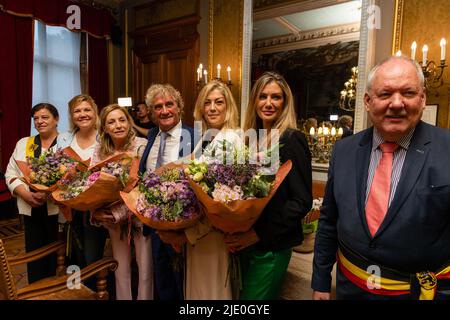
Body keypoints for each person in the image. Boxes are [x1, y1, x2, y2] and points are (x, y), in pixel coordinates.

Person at [312, 55, 450, 300]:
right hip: (349, 290)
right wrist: (321, 281)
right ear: (367, 101)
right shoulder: (344, 150)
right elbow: (329, 222)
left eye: (408, 93)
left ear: (423, 98)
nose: (396, 103)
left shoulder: (446, 149)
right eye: (385, 94)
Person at [224, 71, 313, 299]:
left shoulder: (292, 139)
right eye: (263, 96)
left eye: (276, 97)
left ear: (285, 102)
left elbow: (301, 201)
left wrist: (257, 234)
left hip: (271, 245)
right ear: (254, 100)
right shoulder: (249, 139)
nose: (269, 103)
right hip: (246, 244)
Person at [157, 80, 241, 299]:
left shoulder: (231, 139)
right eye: (207, 102)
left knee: (210, 293)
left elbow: (224, 204)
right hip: (197, 234)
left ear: (228, 106)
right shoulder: (206, 137)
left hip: (212, 236)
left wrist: (187, 235)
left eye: (219, 102)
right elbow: (185, 170)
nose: (212, 108)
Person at [139, 84, 197, 300]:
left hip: (184, 227)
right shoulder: (152, 135)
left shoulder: (196, 136)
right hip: (154, 224)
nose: (164, 111)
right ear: (152, 112)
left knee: (182, 283)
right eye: (157, 107)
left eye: (169, 104)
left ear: (179, 107)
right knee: (162, 281)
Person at [91, 104, 152, 300]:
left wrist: (124, 209)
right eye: (111, 122)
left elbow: (147, 183)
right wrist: (97, 210)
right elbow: (91, 184)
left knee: (145, 269)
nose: (117, 125)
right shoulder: (99, 150)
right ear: (104, 128)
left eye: (122, 120)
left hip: (139, 215)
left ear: (129, 122)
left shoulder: (142, 146)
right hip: (112, 218)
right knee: (120, 268)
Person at [5, 103, 60, 283]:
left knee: (60, 256)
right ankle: (37, 289)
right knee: (34, 255)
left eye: (45, 117)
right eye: (36, 118)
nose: (39, 121)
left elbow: (73, 177)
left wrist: (49, 193)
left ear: (56, 119)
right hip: (30, 207)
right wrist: (25, 194)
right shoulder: (24, 143)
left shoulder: (66, 144)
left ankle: (61, 290)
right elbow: (10, 173)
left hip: (59, 210)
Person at [57, 94, 108, 271]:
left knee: (92, 257)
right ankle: (76, 291)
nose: (82, 114)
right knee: (74, 256)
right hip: (70, 207)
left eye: (87, 110)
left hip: (96, 208)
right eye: (77, 111)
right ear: (71, 116)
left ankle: (94, 292)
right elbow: (57, 169)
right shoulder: (64, 139)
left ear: (95, 113)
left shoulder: (105, 138)